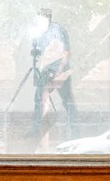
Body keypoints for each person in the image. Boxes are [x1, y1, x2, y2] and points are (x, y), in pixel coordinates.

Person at [31, 8, 77, 146]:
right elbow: (39, 54)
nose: (38, 21)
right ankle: (38, 132)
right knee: (39, 100)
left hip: (59, 71)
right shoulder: (38, 31)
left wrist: (59, 72)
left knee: (67, 100)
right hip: (45, 72)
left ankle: (74, 128)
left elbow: (65, 53)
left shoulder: (57, 31)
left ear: (47, 18)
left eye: (40, 18)